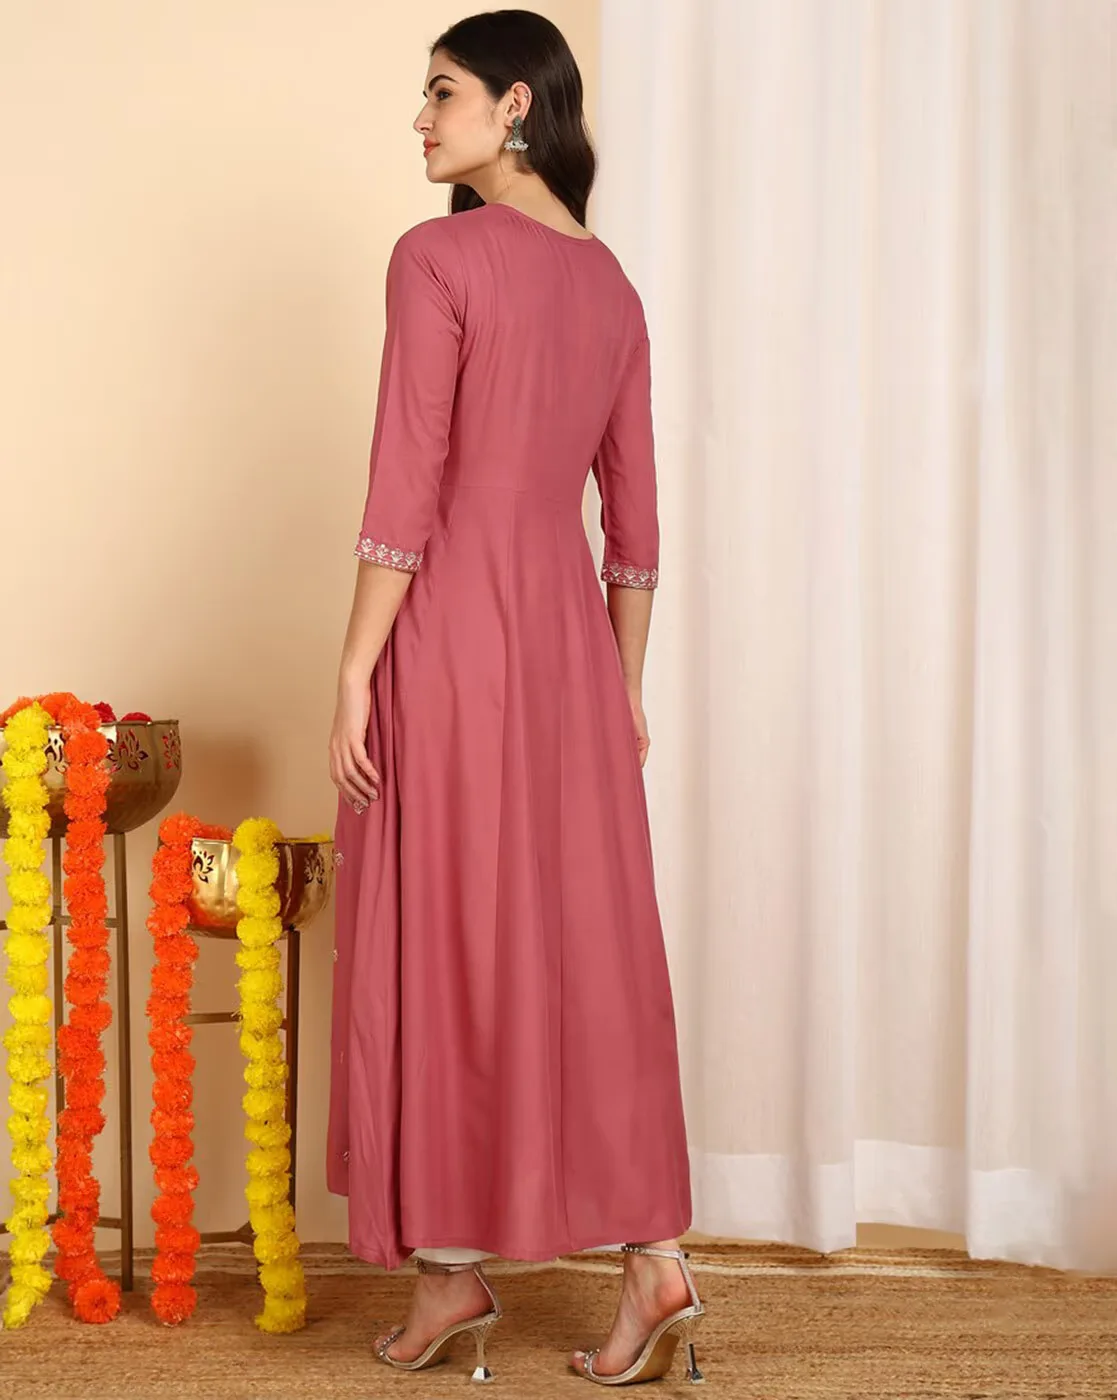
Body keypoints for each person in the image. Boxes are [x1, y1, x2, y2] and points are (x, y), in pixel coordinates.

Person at [326, 10, 704, 1386]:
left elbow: (406, 483)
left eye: (443, 93)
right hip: (569, 658)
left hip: (451, 639)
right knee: (583, 944)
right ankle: (649, 1259)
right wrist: (625, 686)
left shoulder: (435, 258)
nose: (422, 121)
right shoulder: (613, 289)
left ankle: (449, 1271)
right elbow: (637, 526)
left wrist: (356, 668)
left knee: (442, 931)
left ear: (517, 107)